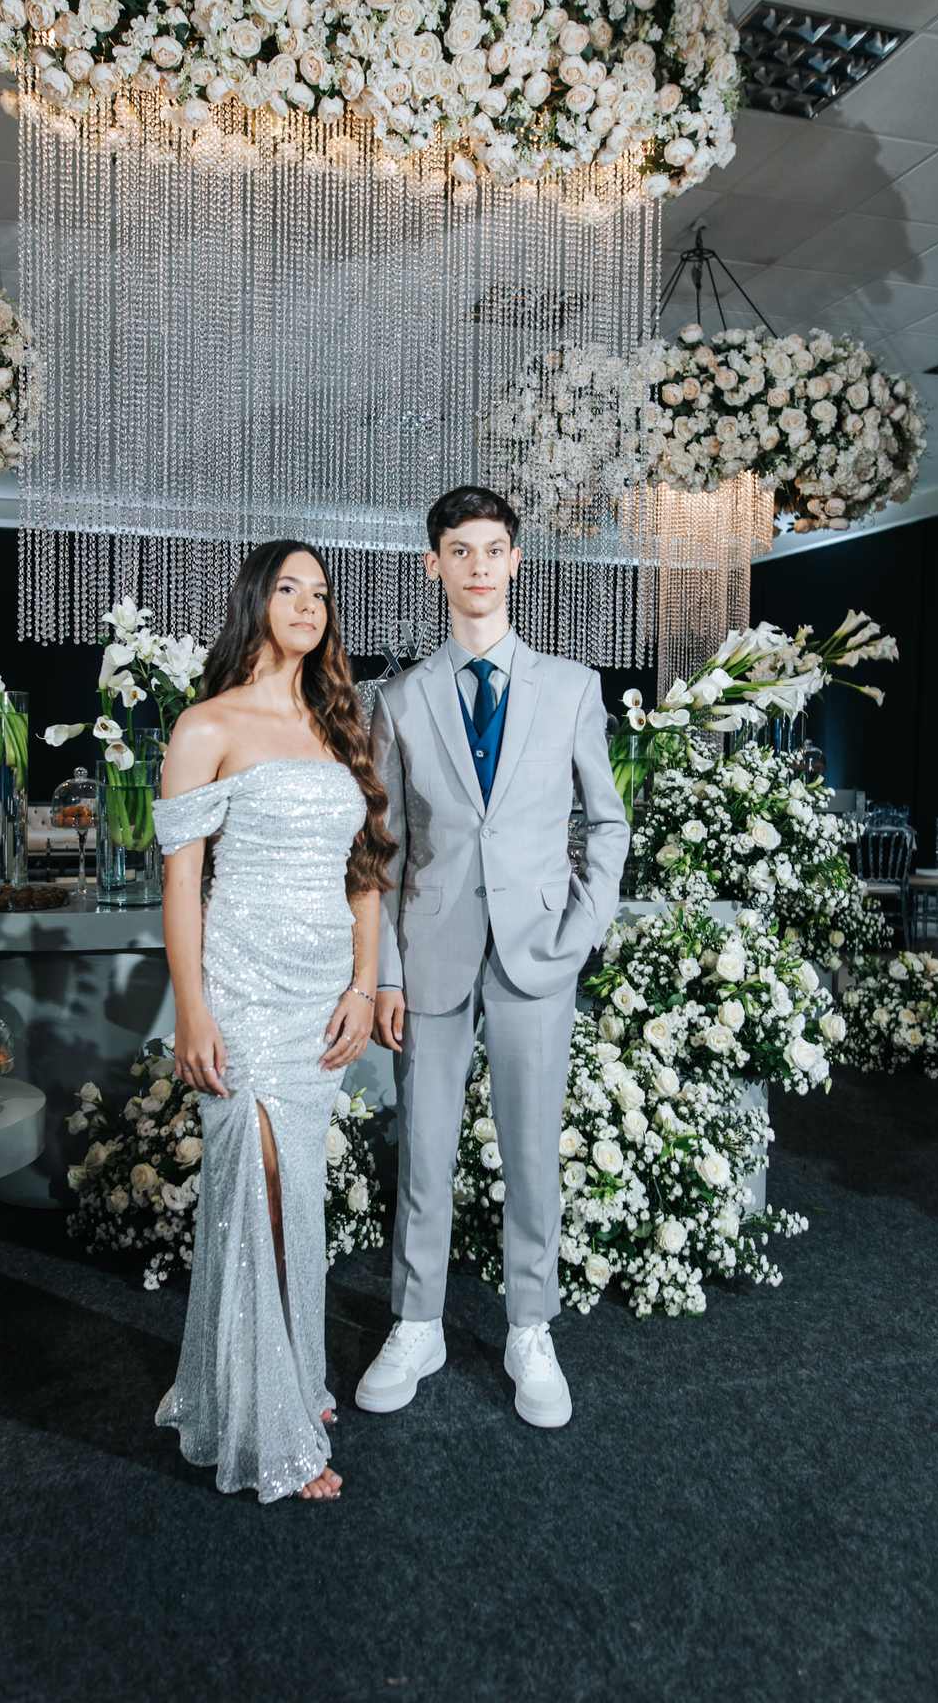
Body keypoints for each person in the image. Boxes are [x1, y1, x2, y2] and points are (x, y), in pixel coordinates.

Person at [358, 486, 629, 1429]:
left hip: (538, 954)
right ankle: (417, 1322)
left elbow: (607, 821)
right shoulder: (398, 700)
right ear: (434, 565)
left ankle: (529, 1327)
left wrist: (582, 926)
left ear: (515, 560)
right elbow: (384, 851)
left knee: (531, 1152)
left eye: (493, 549)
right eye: (460, 550)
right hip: (428, 953)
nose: (479, 565)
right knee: (424, 1152)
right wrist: (384, 974)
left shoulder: (571, 688)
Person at [153, 541, 395, 1502]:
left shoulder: (338, 725)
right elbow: (181, 884)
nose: (308, 604)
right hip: (243, 990)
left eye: (321, 593)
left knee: (296, 1191)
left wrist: (364, 986)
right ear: (256, 599)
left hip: (321, 996)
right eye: (290, 588)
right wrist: (192, 1009)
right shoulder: (206, 725)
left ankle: (290, 1373)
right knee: (253, 1184)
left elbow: (365, 875)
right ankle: (268, 1432)